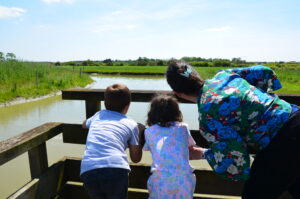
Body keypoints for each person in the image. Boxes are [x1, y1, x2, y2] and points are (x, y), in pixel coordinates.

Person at [166, 61, 300, 199]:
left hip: (284, 141)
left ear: (178, 93)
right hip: (294, 115)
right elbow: (264, 71)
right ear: (196, 75)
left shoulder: (208, 113)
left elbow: (234, 157)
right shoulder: (224, 75)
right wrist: (253, 99)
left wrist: (204, 153)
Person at [80, 83, 144, 199]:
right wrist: (139, 131)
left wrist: (90, 123)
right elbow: (135, 159)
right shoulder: (131, 124)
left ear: (104, 104)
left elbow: (84, 124)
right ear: (128, 106)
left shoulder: (98, 116)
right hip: (116, 169)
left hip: (88, 169)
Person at [143, 94, 197, 199]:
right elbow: (191, 146)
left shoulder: (149, 131)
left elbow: (148, 148)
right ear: (176, 112)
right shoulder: (183, 128)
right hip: (184, 182)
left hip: (159, 182)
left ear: (152, 113)